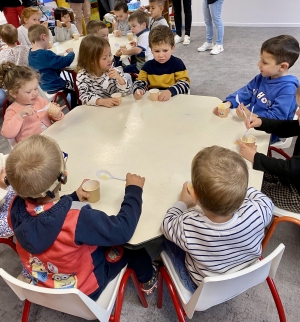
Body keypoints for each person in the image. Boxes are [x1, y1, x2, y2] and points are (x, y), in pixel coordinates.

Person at [6, 134, 158, 296]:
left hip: (44, 284)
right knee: (135, 249)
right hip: (84, 289)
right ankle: (148, 280)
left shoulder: (14, 206)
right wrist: (134, 191)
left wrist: (72, 198)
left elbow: (42, 218)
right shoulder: (77, 219)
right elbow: (123, 230)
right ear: (64, 176)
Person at [161, 146, 273, 292]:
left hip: (201, 287)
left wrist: (183, 202)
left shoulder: (188, 225)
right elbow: (264, 200)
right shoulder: (258, 211)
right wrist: (236, 189)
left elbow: (167, 223)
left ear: (194, 195)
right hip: (246, 274)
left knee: (163, 240)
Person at [213, 35, 299, 142]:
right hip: (250, 122)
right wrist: (228, 103)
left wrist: (251, 115)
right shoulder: (262, 77)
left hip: (268, 132)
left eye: (265, 62)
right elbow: (246, 91)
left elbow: (277, 120)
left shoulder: (289, 90)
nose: (259, 64)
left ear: (282, 67)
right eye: (260, 59)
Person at [238, 88, 300, 213]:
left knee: (250, 188)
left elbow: (289, 168)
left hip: (297, 194)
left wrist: (255, 157)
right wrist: (261, 122)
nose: (297, 112)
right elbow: (285, 127)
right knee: (249, 173)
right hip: (294, 176)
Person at [0, 62, 64, 143]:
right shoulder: (12, 110)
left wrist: (57, 114)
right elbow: (7, 134)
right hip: (32, 148)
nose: (34, 93)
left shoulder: (40, 100)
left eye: (36, 88)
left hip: (51, 139)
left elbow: (54, 118)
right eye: (28, 92)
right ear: (14, 93)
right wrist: (19, 116)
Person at [133, 26, 190, 101]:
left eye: (165, 50)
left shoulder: (177, 64)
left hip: (173, 100)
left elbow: (185, 84)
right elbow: (140, 81)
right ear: (151, 49)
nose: (161, 55)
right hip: (155, 102)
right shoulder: (147, 66)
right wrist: (138, 90)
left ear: (172, 48)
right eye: (157, 51)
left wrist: (170, 91)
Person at [28, 25, 77, 109]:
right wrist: (71, 53)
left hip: (42, 87)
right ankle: (74, 108)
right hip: (54, 85)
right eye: (49, 38)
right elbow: (65, 62)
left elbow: (46, 63)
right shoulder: (46, 54)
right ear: (44, 37)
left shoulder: (30, 53)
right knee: (75, 86)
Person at [76, 35, 132, 107]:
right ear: (91, 61)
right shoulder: (83, 76)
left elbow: (126, 94)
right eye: (104, 58)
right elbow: (84, 96)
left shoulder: (114, 71)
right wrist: (101, 101)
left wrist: (120, 79)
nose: (109, 60)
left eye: (109, 55)